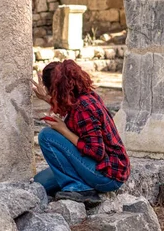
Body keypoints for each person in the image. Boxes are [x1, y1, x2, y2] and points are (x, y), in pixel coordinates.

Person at [31, 60, 130, 203]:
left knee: (47, 136)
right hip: (102, 168)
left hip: (108, 175)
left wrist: (64, 130)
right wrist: (46, 98)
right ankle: (76, 183)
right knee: (38, 183)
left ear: (56, 88)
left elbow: (96, 151)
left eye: (49, 89)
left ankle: (80, 189)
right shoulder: (85, 96)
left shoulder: (84, 107)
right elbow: (69, 107)